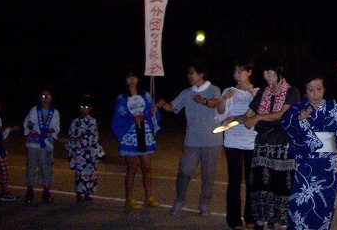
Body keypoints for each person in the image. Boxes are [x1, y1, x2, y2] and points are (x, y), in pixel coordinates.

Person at [282, 71, 337, 229]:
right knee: (300, 205)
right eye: (310, 89)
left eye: (319, 89)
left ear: (324, 89)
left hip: (327, 165)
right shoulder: (297, 109)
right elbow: (286, 122)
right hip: (304, 163)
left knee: (324, 205)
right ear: (305, 91)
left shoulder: (335, 107)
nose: (315, 94)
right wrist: (299, 118)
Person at [240, 55, 300, 230]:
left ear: (279, 71)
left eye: (270, 72)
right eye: (264, 72)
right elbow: (249, 114)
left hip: (282, 145)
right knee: (260, 185)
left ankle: (277, 224)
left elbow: (283, 114)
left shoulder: (292, 91)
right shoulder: (262, 93)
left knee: (280, 186)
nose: (267, 76)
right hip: (263, 145)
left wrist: (259, 117)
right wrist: (233, 119)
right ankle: (260, 222)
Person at [156, 61, 223, 216]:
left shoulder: (214, 89)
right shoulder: (186, 93)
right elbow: (172, 107)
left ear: (201, 74)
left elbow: (216, 103)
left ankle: (204, 205)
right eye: (188, 73)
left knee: (208, 176)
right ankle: (179, 200)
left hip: (212, 141)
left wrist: (204, 101)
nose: (189, 76)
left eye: (191, 73)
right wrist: (163, 104)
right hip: (192, 140)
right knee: (184, 171)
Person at [216, 58, 259, 230]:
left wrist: (251, 92)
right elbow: (221, 114)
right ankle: (233, 219)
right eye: (235, 72)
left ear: (249, 72)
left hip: (251, 141)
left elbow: (261, 110)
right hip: (232, 140)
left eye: (240, 72)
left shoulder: (257, 91)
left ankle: (251, 216)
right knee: (234, 180)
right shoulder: (229, 91)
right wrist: (224, 99)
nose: (237, 75)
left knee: (252, 181)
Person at [111, 71, 161, 208]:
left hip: (144, 132)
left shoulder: (145, 95)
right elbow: (118, 117)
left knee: (147, 167)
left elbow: (152, 112)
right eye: (129, 77)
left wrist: (153, 112)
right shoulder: (121, 98)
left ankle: (149, 197)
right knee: (132, 167)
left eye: (134, 77)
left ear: (138, 79)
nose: (132, 80)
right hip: (130, 134)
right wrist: (131, 119)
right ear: (125, 80)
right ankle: (129, 199)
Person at [64, 94, 105, 202]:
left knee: (90, 172)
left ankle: (88, 193)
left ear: (90, 108)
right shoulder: (75, 121)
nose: (83, 110)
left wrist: (77, 139)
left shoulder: (92, 121)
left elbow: (92, 136)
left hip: (89, 152)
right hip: (79, 152)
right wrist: (73, 141)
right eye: (81, 107)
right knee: (80, 172)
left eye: (86, 107)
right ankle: (80, 194)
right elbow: (71, 134)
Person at [24, 88, 61, 203]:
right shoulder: (34, 109)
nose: (45, 98)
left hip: (46, 142)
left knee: (46, 167)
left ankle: (46, 190)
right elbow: (30, 121)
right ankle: (30, 190)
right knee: (32, 166)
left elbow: (56, 127)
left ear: (51, 98)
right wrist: (30, 125)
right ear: (40, 97)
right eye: (43, 96)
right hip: (34, 142)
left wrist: (50, 131)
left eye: (48, 95)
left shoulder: (55, 112)